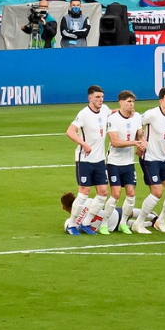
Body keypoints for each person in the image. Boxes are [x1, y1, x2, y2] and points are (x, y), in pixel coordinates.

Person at [64, 85, 112, 235]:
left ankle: (86, 223)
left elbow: (114, 114)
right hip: (84, 160)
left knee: (103, 192)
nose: (100, 100)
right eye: (97, 97)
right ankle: (72, 224)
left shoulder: (105, 110)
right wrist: (83, 144)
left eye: (102, 97)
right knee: (84, 192)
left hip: (99, 159)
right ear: (89, 98)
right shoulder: (84, 114)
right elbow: (70, 131)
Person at [135, 87, 165, 234]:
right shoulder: (151, 114)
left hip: (163, 158)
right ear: (161, 101)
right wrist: (140, 141)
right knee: (157, 192)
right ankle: (138, 223)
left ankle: (160, 221)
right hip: (149, 158)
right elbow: (136, 123)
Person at [105, 91, 147, 234]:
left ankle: (123, 223)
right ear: (121, 102)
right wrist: (135, 143)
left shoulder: (136, 117)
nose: (131, 104)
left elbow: (140, 135)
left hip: (128, 163)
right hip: (114, 162)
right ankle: (104, 223)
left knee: (131, 193)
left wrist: (142, 145)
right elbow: (115, 142)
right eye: (129, 101)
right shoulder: (113, 119)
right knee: (116, 194)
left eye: (133, 102)